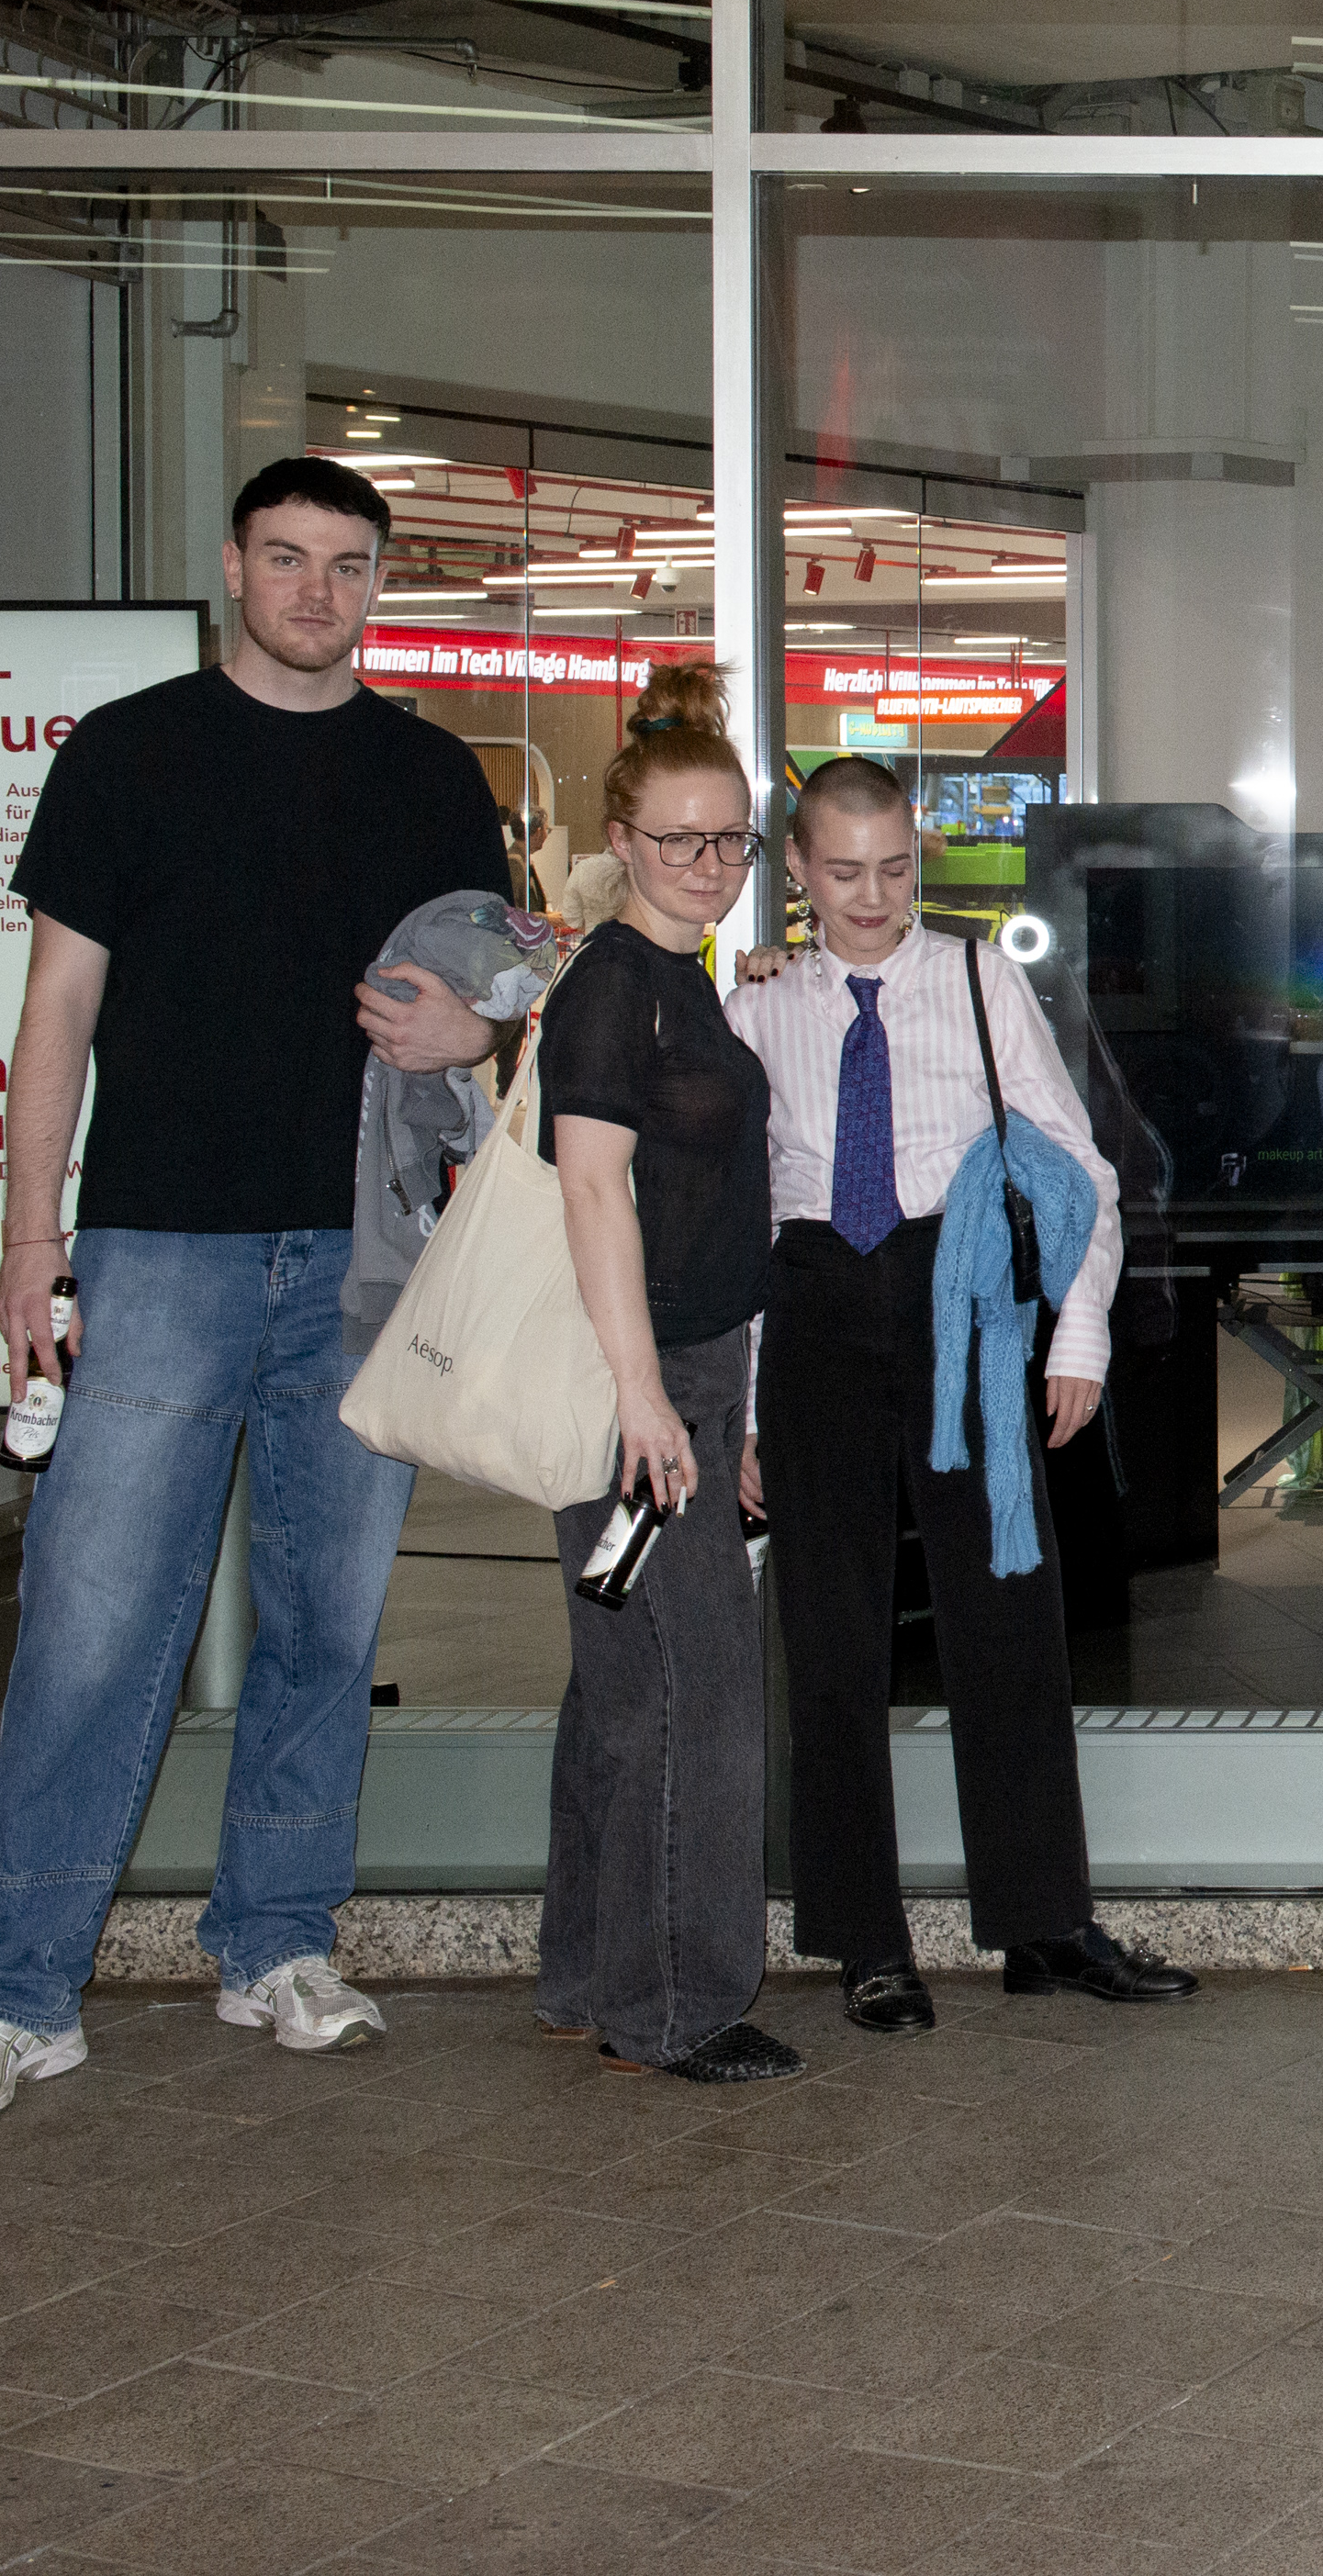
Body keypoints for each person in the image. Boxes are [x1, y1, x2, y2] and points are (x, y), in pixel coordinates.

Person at [0, 456, 512, 2127]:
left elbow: (495, 989)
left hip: (362, 1255)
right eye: (289, 558)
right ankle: (17, 1992)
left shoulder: (433, 775)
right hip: (158, 1247)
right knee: (95, 1629)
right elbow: (56, 1012)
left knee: (328, 1623)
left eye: (351, 564)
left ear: (383, 583)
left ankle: (279, 1944)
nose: (319, 590)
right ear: (234, 567)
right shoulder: (131, 751)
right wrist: (33, 1242)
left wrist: (478, 1030)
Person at [732, 756, 1188, 2029]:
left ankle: (1044, 1919)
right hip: (815, 1298)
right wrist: (749, 1404)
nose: (870, 895)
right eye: (841, 870)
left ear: (917, 858)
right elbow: (740, 1211)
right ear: (798, 870)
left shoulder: (983, 980)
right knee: (828, 1637)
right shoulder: (755, 1004)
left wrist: (1078, 1334)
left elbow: (1078, 1166)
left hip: (961, 1291)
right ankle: (862, 1938)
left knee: (1010, 1620)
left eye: (893, 867)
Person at [533, 668, 794, 2083]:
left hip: (689, 1366)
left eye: (730, 840)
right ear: (622, 836)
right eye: (681, 839)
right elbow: (590, 1194)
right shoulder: (609, 986)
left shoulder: (674, 980)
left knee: (620, 1687)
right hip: (640, 1371)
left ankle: (591, 1977)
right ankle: (680, 2004)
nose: (707, 866)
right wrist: (648, 1401)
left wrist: (718, 1403)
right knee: (694, 1687)